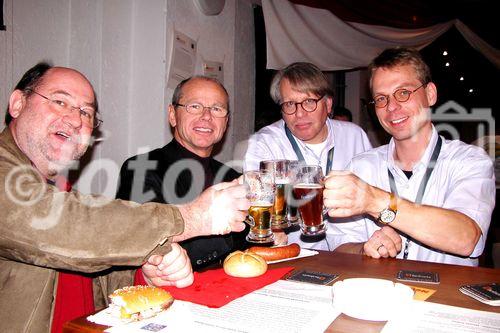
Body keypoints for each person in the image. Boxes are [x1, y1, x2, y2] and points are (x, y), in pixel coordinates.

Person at [0, 63, 249, 332]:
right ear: (17, 103)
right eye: (60, 101)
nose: (75, 119)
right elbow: (65, 227)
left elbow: (91, 274)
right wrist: (191, 217)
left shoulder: (58, 188)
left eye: (86, 112)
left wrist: (147, 275)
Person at [324, 47, 495, 266]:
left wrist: (374, 201)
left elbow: (466, 239)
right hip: (380, 292)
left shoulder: (469, 160)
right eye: (381, 99)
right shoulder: (361, 166)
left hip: (444, 296)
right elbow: (339, 246)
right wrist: (365, 249)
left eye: (403, 92)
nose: (392, 107)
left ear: (430, 94)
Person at [116, 76, 256, 270]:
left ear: (226, 122)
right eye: (195, 106)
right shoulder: (141, 169)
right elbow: (143, 247)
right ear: (173, 115)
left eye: (217, 109)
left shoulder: (231, 176)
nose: (206, 116)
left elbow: (250, 243)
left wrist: (269, 234)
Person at [244, 62, 372, 251]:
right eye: (289, 104)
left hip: (353, 250)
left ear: (328, 104)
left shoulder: (355, 136)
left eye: (309, 102)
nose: (299, 113)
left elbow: (373, 194)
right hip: (295, 254)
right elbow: (258, 204)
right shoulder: (265, 143)